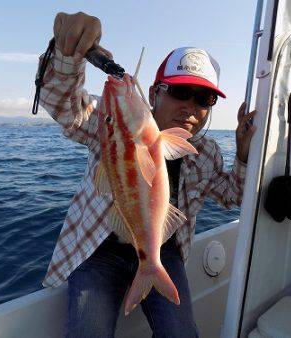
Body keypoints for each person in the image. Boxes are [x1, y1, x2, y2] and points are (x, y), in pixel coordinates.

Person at [37, 11, 256, 338]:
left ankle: (147, 269)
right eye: (180, 92)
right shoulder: (113, 124)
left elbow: (233, 195)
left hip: (162, 253)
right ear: (154, 94)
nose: (191, 107)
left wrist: (241, 152)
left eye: (204, 98)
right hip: (99, 251)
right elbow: (63, 104)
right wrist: (67, 53)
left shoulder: (207, 151)